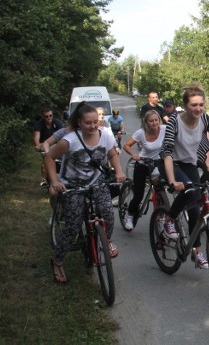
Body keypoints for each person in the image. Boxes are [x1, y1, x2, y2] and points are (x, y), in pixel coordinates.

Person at [45, 102, 125, 284]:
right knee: (72, 225)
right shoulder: (70, 140)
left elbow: (112, 154)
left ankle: (105, 240)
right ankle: (57, 261)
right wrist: (56, 181)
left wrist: (118, 171)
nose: (93, 126)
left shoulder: (104, 136)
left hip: (96, 182)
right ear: (79, 123)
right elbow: (49, 157)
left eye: (95, 122)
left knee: (108, 214)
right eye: (88, 123)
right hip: (71, 185)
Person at [159, 84, 209, 269]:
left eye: (201, 104)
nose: (198, 108)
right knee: (191, 193)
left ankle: (197, 252)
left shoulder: (205, 119)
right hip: (170, 163)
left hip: (189, 163)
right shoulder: (174, 122)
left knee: (195, 208)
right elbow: (167, 152)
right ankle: (168, 220)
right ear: (185, 105)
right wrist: (172, 181)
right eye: (194, 105)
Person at [122, 110, 166, 230]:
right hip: (143, 164)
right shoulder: (141, 133)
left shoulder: (164, 129)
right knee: (138, 195)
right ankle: (130, 215)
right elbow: (126, 146)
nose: (154, 123)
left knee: (161, 191)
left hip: (157, 164)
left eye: (156, 120)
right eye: (151, 121)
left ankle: (162, 217)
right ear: (146, 122)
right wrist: (134, 154)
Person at [33, 108, 65, 186]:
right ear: (43, 117)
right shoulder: (39, 124)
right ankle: (44, 178)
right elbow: (36, 136)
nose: (49, 118)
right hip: (43, 145)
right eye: (46, 116)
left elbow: (63, 135)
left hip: (56, 145)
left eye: (50, 116)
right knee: (45, 160)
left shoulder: (57, 123)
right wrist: (37, 145)